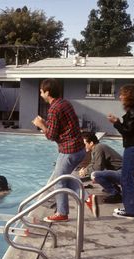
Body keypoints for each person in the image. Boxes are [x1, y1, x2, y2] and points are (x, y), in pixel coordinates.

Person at [32, 78, 86, 222]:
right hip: (79, 148)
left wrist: (40, 125)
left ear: (47, 92)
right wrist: (46, 123)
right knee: (64, 178)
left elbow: (51, 135)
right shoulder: (64, 103)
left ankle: (62, 214)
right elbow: (61, 127)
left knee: (58, 181)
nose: (40, 93)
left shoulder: (54, 109)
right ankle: (87, 198)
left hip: (69, 150)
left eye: (41, 91)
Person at [107, 84, 134, 220]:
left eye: (122, 94)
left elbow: (127, 131)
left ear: (130, 96)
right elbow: (130, 128)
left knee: (126, 179)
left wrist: (115, 122)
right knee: (127, 178)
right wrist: (120, 121)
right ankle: (129, 208)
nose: (120, 97)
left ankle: (130, 211)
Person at [79, 132, 123, 203]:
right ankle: (115, 188)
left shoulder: (98, 148)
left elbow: (98, 168)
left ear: (91, 143)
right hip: (120, 172)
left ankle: (116, 195)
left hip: (123, 174)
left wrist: (86, 171)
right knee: (96, 173)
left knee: (95, 175)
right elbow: (93, 163)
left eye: (84, 144)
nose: (83, 147)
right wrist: (85, 169)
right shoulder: (97, 148)